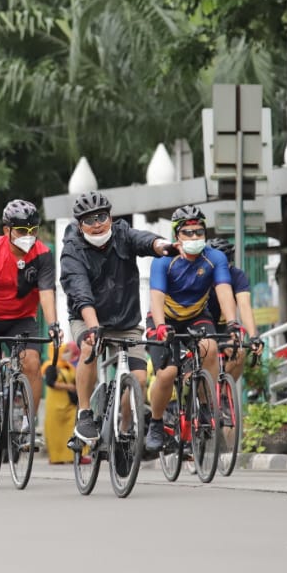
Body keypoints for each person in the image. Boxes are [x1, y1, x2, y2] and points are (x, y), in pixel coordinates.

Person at [60, 191, 175, 445]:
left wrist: (161, 245)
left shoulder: (122, 234)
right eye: (90, 220)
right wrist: (93, 328)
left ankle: (123, 429)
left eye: (102, 216)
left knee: (140, 379)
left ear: (110, 217)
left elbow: (143, 240)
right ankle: (85, 414)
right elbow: (80, 294)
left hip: (126, 321)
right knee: (90, 346)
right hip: (88, 319)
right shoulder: (72, 252)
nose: (98, 223)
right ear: (80, 226)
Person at [0, 199, 61, 449]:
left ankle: (29, 424)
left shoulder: (42, 255)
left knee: (32, 363)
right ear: (7, 230)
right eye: (22, 231)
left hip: (21, 318)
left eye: (33, 230)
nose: (29, 236)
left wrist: (53, 324)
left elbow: (46, 292)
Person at [142, 206, 242, 454]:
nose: (195, 237)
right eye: (188, 233)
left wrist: (232, 323)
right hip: (163, 317)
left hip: (197, 315)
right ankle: (156, 424)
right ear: (177, 236)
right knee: (167, 373)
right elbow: (156, 296)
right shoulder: (163, 261)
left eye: (199, 232)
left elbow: (224, 291)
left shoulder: (214, 258)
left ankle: (207, 407)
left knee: (209, 347)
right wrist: (161, 326)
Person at [201, 237, 264, 383]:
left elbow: (244, 306)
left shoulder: (237, 275)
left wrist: (254, 336)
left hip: (223, 326)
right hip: (201, 323)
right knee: (205, 353)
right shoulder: (201, 273)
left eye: (226, 262)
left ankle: (222, 393)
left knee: (239, 352)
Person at [42, 340, 81, 464]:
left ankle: (71, 456)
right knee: (56, 432)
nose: (66, 354)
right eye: (64, 352)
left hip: (69, 404)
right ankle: (56, 458)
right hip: (55, 405)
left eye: (67, 351)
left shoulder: (68, 366)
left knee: (71, 429)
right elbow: (50, 382)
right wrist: (68, 387)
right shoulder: (50, 366)